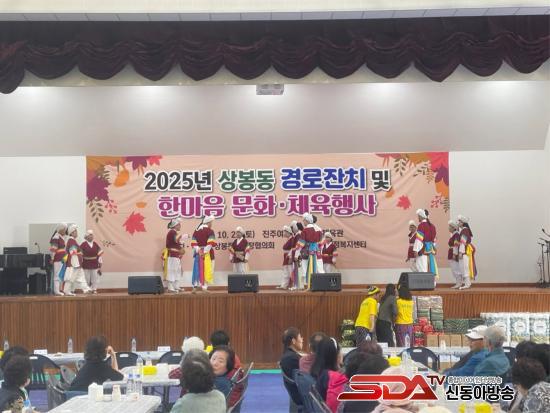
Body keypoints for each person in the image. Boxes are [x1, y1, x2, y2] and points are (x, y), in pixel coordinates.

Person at [310, 337, 347, 413]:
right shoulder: (331, 377)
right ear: (335, 355)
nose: (342, 354)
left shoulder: (321, 372)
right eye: (340, 351)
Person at [294, 213, 324, 290]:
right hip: (317, 251)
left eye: (304, 220)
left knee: (305, 268)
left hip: (306, 252)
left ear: (307, 220)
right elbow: (321, 242)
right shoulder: (319, 229)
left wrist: (296, 254)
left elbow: (301, 243)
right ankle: (320, 285)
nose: (303, 222)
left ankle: (307, 285)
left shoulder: (305, 230)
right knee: (318, 268)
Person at [63, 224, 92, 296]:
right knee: (70, 277)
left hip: (77, 263)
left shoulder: (72, 240)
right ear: (72, 232)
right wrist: (79, 254)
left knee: (81, 277)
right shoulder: (71, 241)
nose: (77, 232)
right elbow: (72, 252)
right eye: (76, 231)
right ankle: (66, 290)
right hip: (74, 263)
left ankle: (86, 289)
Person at [191, 215, 217, 292]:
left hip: (198, 253)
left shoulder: (196, 231)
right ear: (208, 222)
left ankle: (195, 286)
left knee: (197, 268)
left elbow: (193, 243)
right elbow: (210, 243)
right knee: (208, 269)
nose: (211, 224)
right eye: (211, 222)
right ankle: (204, 287)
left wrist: (199, 250)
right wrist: (204, 252)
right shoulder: (210, 231)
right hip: (208, 253)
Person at [279, 327, 303, 410]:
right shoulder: (292, 358)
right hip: (302, 397)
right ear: (293, 341)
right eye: (300, 337)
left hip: (296, 395)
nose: (302, 340)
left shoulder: (288, 355)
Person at [413, 209, 438, 282]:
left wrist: (416, 250)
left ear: (421, 216)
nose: (418, 218)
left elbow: (419, 239)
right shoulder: (432, 226)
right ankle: (432, 283)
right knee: (430, 266)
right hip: (430, 249)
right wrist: (432, 248)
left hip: (423, 249)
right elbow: (434, 240)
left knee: (422, 268)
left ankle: (424, 284)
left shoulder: (421, 225)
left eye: (418, 216)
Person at [162, 218, 187, 293]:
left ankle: (176, 286)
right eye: (178, 225)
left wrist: (181, 245)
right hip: (172, 254)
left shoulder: (174, 233)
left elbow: (177, 242)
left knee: (177, 270)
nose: (180, 226)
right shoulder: (172, 232)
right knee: (172, 270)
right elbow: (176, 241)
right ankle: (170, 287)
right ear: (175, 226)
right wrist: (182, 237)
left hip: (176, 254)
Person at [457, 215, 477, 290]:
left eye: (459, 221)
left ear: (462, 223)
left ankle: (467, 283)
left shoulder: (464, 231)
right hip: (464, 251)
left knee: (464, 267)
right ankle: (467, 283)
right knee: (464, 267)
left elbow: (463, 242)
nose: (458, 223)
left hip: (464, 251)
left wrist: (461, 252)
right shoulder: (465, 230)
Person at [80, 229, 103, 294]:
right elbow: (80, 255)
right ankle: (87, 289)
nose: (91, 236)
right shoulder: (83, 244)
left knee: (95, 277)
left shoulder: (95, 244)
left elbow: (99, 254)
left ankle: (94, 289)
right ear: (86, 236)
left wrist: (100, 262)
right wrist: (80, 263)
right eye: (90, 235)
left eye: (92, 235)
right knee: (86, 278)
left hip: (94, 263)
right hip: (86, 263)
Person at [49, 222, 68, 296]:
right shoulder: (56, 237)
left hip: (63, 258)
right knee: (57, 275)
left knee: (61, 275)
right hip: (58, 258)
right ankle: (56, 290)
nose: (65, 231)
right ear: (60, 229)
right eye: (64, 229)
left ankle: (60, 289)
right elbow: (53, 249)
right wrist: (52, 258)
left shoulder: (62, 237)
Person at [278, 225, 295, 290]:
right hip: (286, 257)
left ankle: (295, 285)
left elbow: (292, 249)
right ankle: (284, 285)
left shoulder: (292, 239)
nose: (283, 233)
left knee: (291, 272)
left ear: (288, 232)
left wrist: (290, 257)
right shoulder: (289, 239)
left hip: (289, 257)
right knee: (286, 272)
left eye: (284, 232)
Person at [447, 220, 462, 289]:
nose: (448, 228)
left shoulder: (456, 234)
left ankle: (459, 283)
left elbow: (456, 245)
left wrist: (454, 254)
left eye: (450, 226)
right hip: (451, 252)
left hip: (453, 253)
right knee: (454, 269)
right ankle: (458, 282)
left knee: (456, 269)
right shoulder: (453, 235)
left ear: (453, 228)